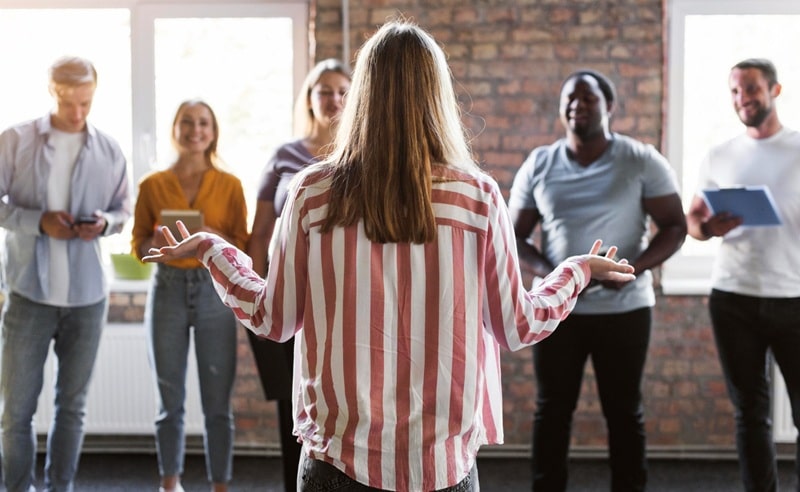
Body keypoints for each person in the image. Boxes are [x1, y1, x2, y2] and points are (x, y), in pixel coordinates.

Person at [142, 20, 636, 492]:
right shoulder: (477, 197)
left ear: (361, 94)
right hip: (441, 468)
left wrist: (212, 250)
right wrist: (577, 271)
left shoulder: (312, 193)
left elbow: (272, 319)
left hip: (336, 463)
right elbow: (517, 325)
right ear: (437, 96)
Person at [508, 69, 687, 492]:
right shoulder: (540, 163)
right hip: (557, 311)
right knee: (552, 410)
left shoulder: (641, 159)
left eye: (588, 98)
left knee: (624, 412)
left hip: (625, 310)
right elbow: (513, 237)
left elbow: (675, 226)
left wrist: (635, 269)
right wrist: (557, 277)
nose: (577, 105)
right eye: (570, 98)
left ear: (609, 106)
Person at [0, 56, 131, 492]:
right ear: (52, 91)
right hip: (27, 297)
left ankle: (62, 488)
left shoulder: (110, 150)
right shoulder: (15, 140)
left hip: (87, 299)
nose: (77, 113)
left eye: (86, 103)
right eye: (69, 102)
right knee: (16, 412)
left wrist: (104, 224)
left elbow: (123, 211)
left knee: (71, 408)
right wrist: (37, 221)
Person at [686, 58, 800, 492]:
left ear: (774, 90)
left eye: (750, 89)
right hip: (733, 298)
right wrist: (708, 228)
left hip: (794, 298)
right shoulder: (720, 154)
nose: (742, 99)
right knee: (750, 412)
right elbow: (693, 220)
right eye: (735, 91)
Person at [131, 100, 248, 492]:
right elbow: (137, 245)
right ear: (175, 128)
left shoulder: (229, 185)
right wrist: (160, 240)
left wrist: (210, 235)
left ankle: (220, 485)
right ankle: (169, 483)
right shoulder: (152, 184)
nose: (195, 130)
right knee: (170, 401)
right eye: (187, 122)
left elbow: (243, 247)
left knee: (218, 404)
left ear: (213, 132)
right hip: (167, 290)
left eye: (203, 123)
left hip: (214, 289)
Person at [245, 58, 350, 492]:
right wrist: (257, 300)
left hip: (337, 303)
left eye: (343, 90)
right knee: (295, 410)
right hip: (290, 298)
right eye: (323, 91)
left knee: (336, 404)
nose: (333, 99)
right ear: (308, 99)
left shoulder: (358, 155)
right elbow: (260, 234)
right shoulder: (284, 157)